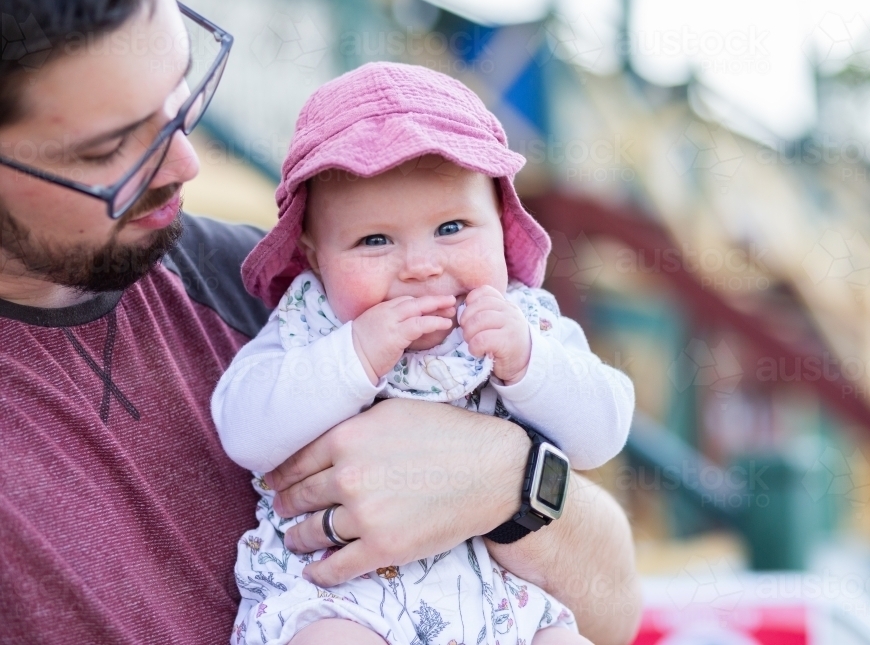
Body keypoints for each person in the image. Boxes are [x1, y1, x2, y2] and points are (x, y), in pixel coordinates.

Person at [0, 0, 640, 644]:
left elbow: (614, 606)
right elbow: (250, 423)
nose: (184, 162)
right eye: (107, 152)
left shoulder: (255, 284)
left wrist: (511, 479)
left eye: (180, 93)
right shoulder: (319, 321)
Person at [211, 62, 636, 645]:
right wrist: (352, 359)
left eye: (453, 227)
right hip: (344, 593)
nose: (420, 265)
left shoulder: (520, 316)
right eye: (375, 240)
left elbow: (603, 431)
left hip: (502, 601)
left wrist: (529, 363)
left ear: (501, 227)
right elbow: (243, 429)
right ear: (314, 257)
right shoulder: (313, 323)